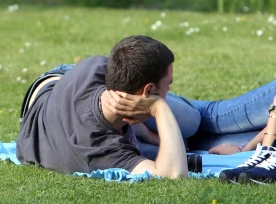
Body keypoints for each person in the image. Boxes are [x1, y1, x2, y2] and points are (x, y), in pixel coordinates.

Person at [103, 55, 276, 167]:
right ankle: (123, 84)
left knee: (201, 142)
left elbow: (272, 149)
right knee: (210, 118)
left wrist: (242, 151)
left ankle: (145, 130)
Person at [16, 35, 197, 178]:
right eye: (169, 83)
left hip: (67, 81)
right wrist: (159, 108)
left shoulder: (97, 66)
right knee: (193, 122)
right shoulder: (100, 150)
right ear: (148, 91)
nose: (170, 88)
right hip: (54, 99)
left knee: (189, 125)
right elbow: (174, 175)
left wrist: (151, 132)